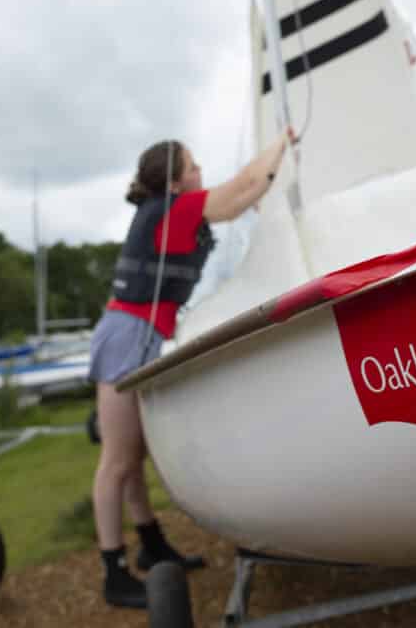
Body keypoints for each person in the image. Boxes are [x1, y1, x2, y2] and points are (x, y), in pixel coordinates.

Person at [89, 131, 290, 609]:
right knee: (117, 462)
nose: (201, 172)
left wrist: (268, 183)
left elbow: (241, 201)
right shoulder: (168, 208)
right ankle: (112, 572)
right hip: (126, 335)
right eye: (194, 166)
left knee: (131, 457)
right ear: (176, 181)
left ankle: (152, 547)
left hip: (137, 335)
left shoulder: (175, 212)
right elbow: (243, 186)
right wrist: (280, 142)